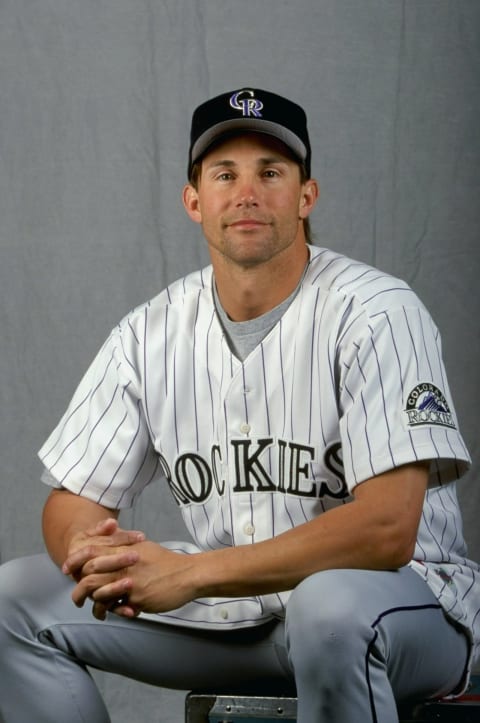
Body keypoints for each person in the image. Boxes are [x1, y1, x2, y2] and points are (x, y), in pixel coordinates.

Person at [0, 87, 478, 723]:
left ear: (306, 196)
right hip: (239, 612)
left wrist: (192, 575)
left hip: (403, 609)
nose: (247, 192)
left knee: (328, 607)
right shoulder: (148, 333)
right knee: (13, 601)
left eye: (271, 172)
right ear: (194, 200)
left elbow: (388, 529)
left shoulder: (378, 311)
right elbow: (73, 498)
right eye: (225, 173)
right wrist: (100, 556)